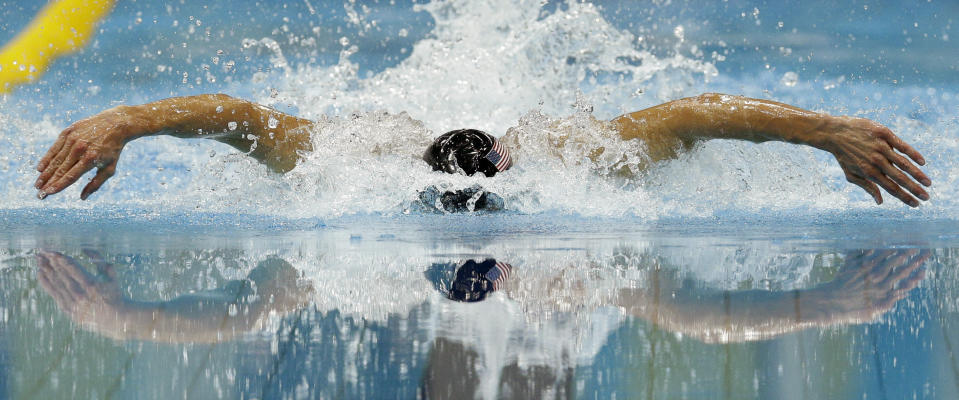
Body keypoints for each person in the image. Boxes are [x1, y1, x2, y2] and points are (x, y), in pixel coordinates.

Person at [34, 93, 931, 207]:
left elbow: (688, 116)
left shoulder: (574, 154)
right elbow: (238, 119)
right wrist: (128, 121)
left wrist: (825, 133)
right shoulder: (354, 155)